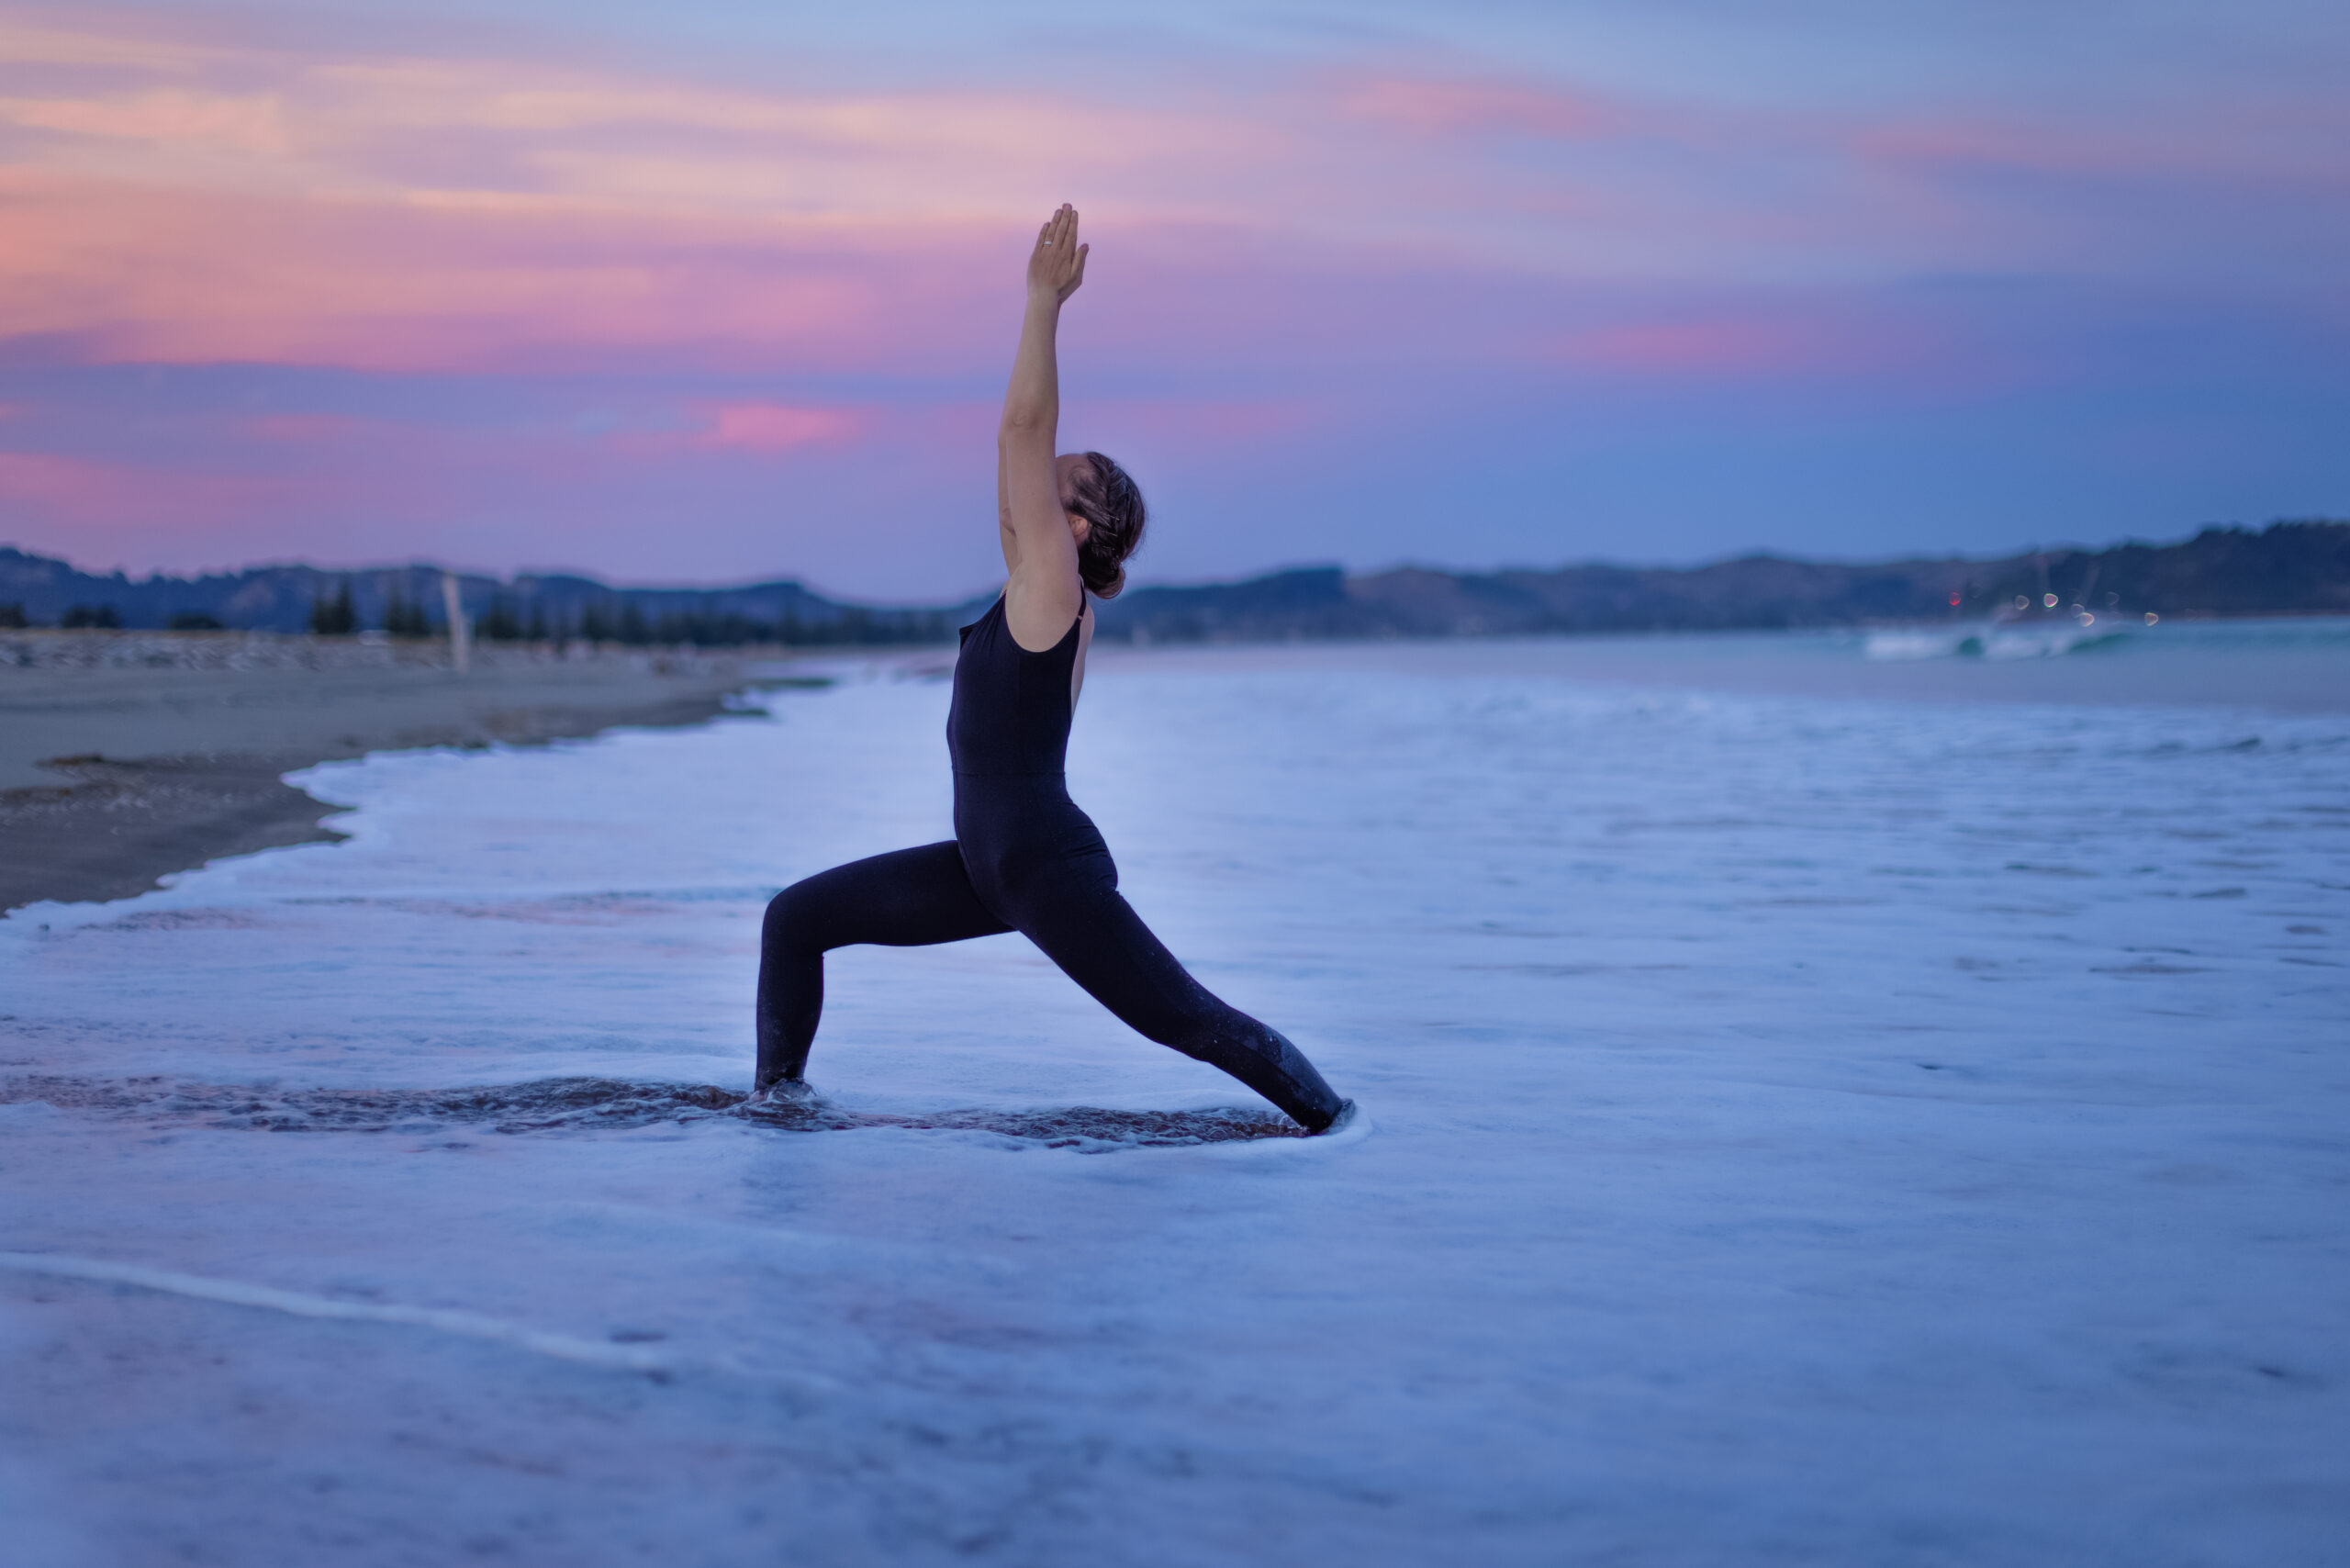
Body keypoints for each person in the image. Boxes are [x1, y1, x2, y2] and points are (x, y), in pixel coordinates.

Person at [755, 204, 1350, 1132]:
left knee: (1188, 1022)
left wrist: (1042, 306)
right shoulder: (1029, 591)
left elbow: (1017, 434)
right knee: (795, 918)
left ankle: (1339, 1120)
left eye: (1049, 481)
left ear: (1073, 529)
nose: (1023, 486)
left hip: (1042, 867)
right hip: (985, 865)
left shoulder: (1053, 595)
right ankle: (775, 1107)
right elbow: (1012, 469)